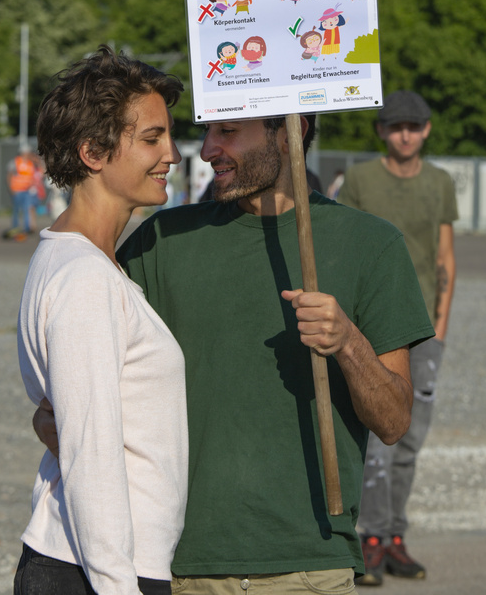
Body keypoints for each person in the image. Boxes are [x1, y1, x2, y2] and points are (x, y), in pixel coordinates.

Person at [35, 110, 434, 590]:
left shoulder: (373, 245)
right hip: (179, 568)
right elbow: (57, 413)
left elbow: (393, 422)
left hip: (310, 566)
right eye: (207, 132)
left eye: (227, 132)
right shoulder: (163, 241)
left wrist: (348, 343)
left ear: (292, 131)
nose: (206, 151)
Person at [15, 48, 188, 595]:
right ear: (93, 151)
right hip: (93, 570)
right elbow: (91, 453)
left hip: (91, 563)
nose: (174, 155)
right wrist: (119, 586)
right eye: (152, 138)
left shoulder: (83, 261)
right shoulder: (86, 278)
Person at [338, 90, 458, 585]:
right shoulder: (362, 179)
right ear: (382, 132)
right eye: (395, 126)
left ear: (426, 130)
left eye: (413, 126)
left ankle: (394, 538)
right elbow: (341, 243)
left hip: (425, 330)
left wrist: (441, 327)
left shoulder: (440, 182)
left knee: (409, 440)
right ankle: (368, 535)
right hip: (373, 326)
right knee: (375, 441)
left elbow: (444, 256)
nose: (405, 133)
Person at [6, 147, 37, 240]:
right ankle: (15, 227)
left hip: (27, 190)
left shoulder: (30, 163)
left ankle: (26, 228)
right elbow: (9, 175)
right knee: (16, 210)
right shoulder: (15, 162)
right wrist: (11, 189)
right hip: (17, 190)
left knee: (27, 209)